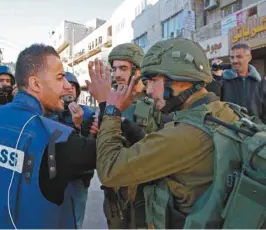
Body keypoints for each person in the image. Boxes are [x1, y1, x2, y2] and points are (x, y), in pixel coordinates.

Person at [88, 38, 247, 228]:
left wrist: (111, 110)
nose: (149, 89)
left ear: (180, 79)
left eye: (154, 80)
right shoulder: (225, 111)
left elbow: (110, 171)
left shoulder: (186, 133)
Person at [0, 44, 97, 229]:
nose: (66, 86)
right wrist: (108, 106)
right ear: (35, 84)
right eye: (60, 77)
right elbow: (112, 159)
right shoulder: (56, 137)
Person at [86, 43, 157, 229]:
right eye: (114, 68)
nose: (117, 74)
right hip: (115, 196)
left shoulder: (154, 103)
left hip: (143, 196)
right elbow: (102, 152)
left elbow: (155, 147)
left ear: (138, 70)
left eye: (123, 68)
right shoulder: (112, 100)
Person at [47, 71, 98, 228]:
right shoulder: (50, 112)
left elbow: (89, 148)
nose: (69, 90)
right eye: (65, 86)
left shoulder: (88, 112)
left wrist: (85, 128)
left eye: (73, 87)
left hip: (78, 178)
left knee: (75, 220)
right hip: (53, 177)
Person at [213, 43, 265, 122]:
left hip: (255, 131)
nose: (234, 61)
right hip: (230, 131)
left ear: (249, 57)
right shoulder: (223, 81)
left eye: (239, 57)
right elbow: (214, 104)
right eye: (232, 57)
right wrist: (217, 78)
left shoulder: (260, 82)